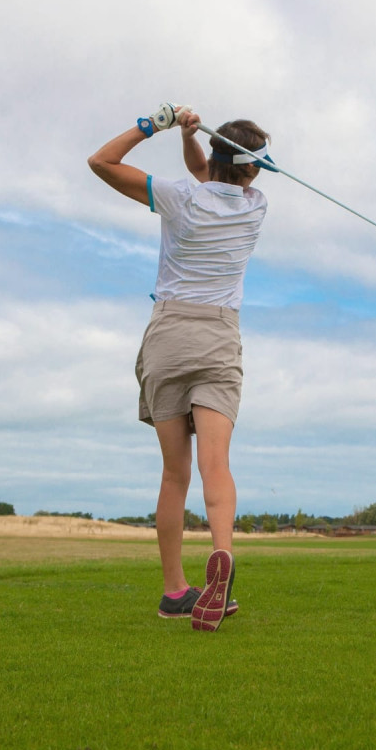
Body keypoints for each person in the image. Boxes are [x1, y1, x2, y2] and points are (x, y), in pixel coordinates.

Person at [87, 103, 273, 631]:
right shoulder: (255, 206)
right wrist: (193, 138)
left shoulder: (179, 197)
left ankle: (174, 591)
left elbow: (102, 162)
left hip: (168, 335)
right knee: (217, 466)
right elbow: (215, 175)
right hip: (217, 336)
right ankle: (222, 551)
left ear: (214, 156)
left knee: (175, 474)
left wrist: (158, 125)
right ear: (253, 169)